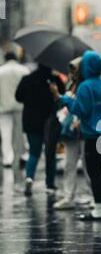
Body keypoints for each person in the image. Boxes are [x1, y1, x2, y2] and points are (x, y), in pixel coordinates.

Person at [50, 51, 101, 220]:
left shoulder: (86, 86)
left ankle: (98, 210)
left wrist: (62, 99)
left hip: (92, 134)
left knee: (94, 171)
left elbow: (81, 110)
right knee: (99, 171)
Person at [16, 64, 65, 196]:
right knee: (50, 154)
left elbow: (18, 97)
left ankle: (29, 177)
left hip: (31, 122)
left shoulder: (27, 79)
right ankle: (50, 185)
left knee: (33, 153)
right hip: (50, 122)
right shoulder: (55, 80)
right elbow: (62, 97)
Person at [53, 57, 92, 211]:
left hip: (83, 130)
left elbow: (85, 107)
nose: (72, 72)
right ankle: (69, 196)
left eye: (74, 69)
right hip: (70, 130)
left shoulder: (86, 85)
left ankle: (93, 196)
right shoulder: (72, 84)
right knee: (69, 164)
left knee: (88, 165)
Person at [0, 52, 29, 167]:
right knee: (22, 132)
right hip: (20, 106)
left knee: (5, 133)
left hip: (3, 107)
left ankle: (8, 159)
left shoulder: (1, 71)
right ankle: (24, 155)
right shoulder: (24, 70)